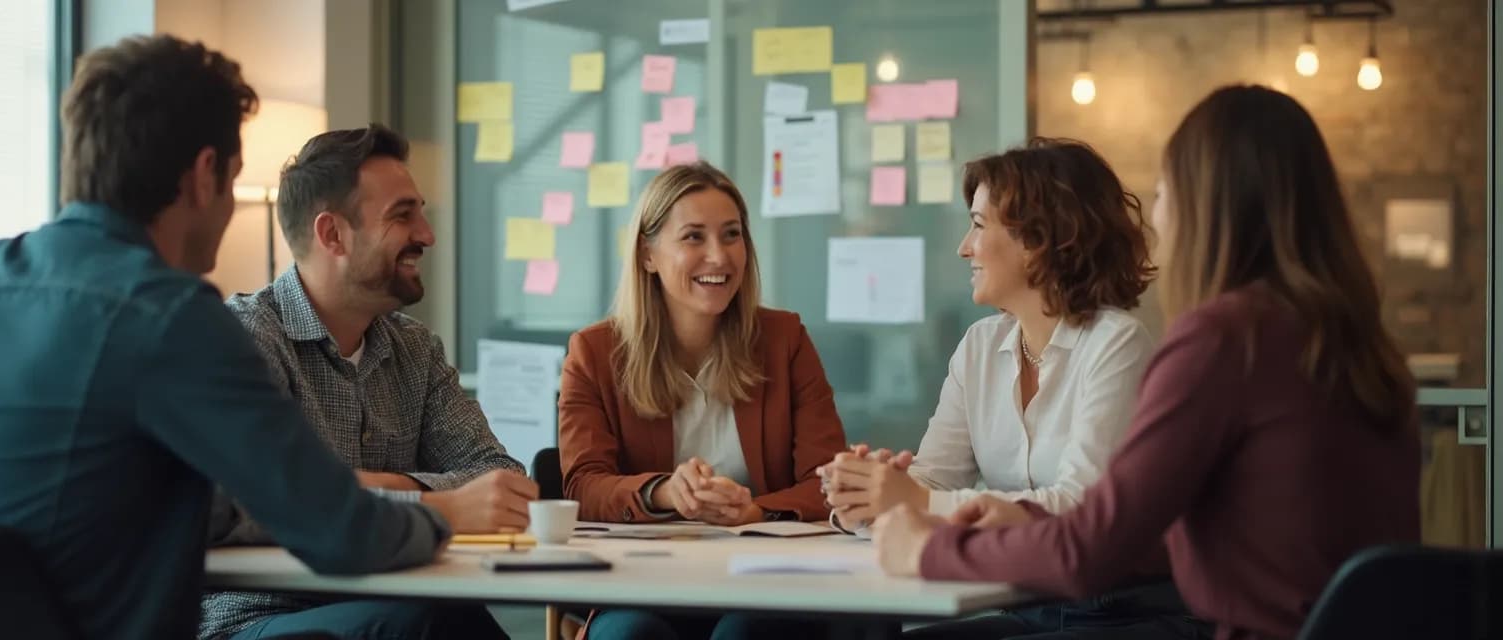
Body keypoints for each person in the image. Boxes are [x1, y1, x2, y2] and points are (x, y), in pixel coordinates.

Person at [0, 35, 474, 640]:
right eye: (234, 180)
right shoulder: (172, 317)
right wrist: (440, 518)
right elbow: (341, 532)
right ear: (205, 175)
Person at [874, 85, 1421, 640]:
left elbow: (1087, 550)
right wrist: (1027, 518)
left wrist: (930, 547)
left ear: (1206, 206)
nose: (1157, 215)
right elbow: (1173, 530)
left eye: (1164, 192)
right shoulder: (1354, 342)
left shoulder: (1226, 340)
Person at [825, 138, 1193, 638]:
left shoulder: (1117, 343)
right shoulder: (980, 346)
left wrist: (913, 502)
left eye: (978, 226)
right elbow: (933, 481)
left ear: (1040, 239)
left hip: (1121, 611)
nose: (964, 247)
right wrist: (866, 499)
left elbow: (1081, 509)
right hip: (1027, 603)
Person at [200, 125, 533, 639]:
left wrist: (368, 488)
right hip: (257, 617)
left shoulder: (416, 350)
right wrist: (436, 503)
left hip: (395, 600)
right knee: (421, 629)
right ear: (332, 234)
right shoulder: (245, 338)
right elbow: (245, 500)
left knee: (447, 623)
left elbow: (500, 481)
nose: (427, 234)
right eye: (403, 215)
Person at [558, 161, 846, 639]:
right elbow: (583, 487)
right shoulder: (594, 353)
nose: (719, 256)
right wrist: (666, 492)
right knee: (628, 636)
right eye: (693, 237)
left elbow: (830, 481)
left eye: (731, 235)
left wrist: (756, 511)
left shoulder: (784, 339)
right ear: (648, 254)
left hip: (768, 583)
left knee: (745, 633)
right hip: (645, 584)